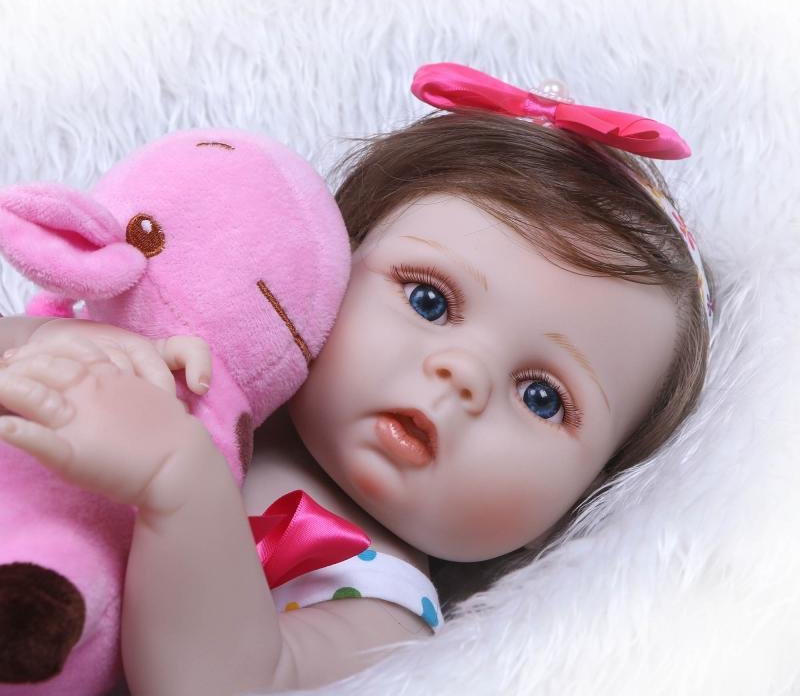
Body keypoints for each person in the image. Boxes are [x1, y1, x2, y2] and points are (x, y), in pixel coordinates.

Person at [0, 64, 713, 694]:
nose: (463, 375)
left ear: (583, 499)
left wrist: (180, 487)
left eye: (542, 397)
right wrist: (57, 342)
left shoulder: (379, 604)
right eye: (429, 300)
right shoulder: (210, 361)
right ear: (331, 265)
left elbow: (233, 682)